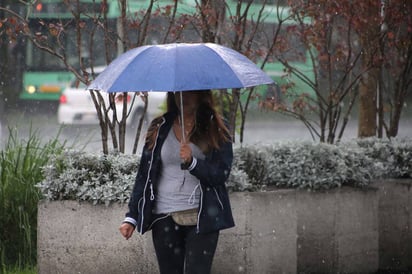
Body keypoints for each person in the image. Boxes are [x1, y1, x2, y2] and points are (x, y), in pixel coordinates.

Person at [119, 90, 235, 274]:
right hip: (164, 216)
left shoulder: (216, 126)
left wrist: (193, 163)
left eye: (190, 92)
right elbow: (145, 174)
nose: (184, 96)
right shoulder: (160, 126)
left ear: (201, 94)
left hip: (201, 216)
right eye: (179, 92)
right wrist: (132, 217)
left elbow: (220, 174)